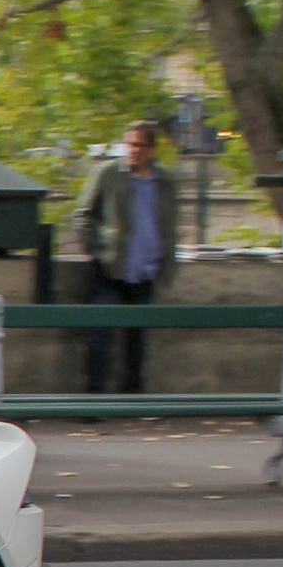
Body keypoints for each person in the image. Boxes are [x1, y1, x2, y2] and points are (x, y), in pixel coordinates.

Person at [70, 120, 171, 393]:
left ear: (151, 148)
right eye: (130, 144)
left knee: (137, 340)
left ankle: (132, 397)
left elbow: (169, 225)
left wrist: (167, 264)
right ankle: (94, 399)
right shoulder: (108, 173)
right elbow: (82, 215)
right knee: (100, 336)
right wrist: (95, 248)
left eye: (140, 145)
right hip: (110, 268)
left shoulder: (164, 181)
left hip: (145, 270)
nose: (134, 150)